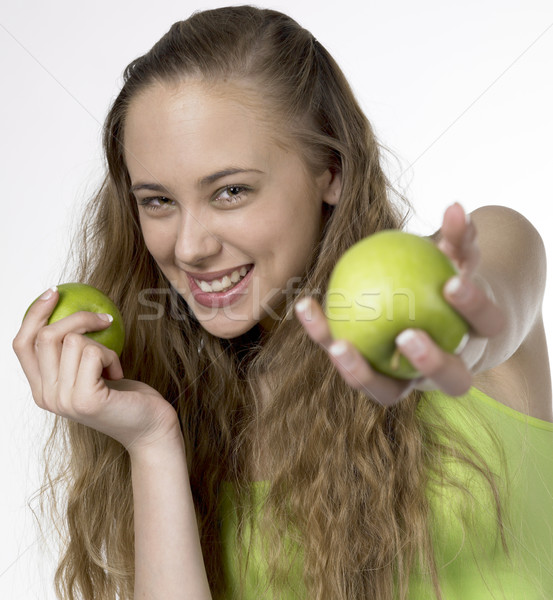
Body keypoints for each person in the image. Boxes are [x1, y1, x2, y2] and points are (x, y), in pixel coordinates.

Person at [12, 5, 553, 600]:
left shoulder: (490, 247)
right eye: (158, 201)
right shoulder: (188, 401)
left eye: (231, 191)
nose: (189, 248)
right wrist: (151, 442)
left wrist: (441, 333)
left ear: (331, 171)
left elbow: (488, 306)